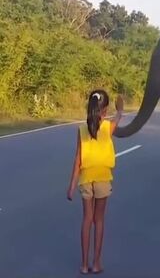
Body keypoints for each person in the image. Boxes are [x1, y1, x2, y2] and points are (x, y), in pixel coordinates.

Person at [66, 89, 123, 275]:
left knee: (86, 219)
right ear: (105, 110)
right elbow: (118, 117)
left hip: (85, 179)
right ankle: (96, 263)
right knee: (99, 220)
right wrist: (120, 109)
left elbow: (78, 159)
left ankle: (84, 264)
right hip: (103, 178)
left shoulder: (82, 130)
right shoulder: (108, 127)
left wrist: (72, 185)